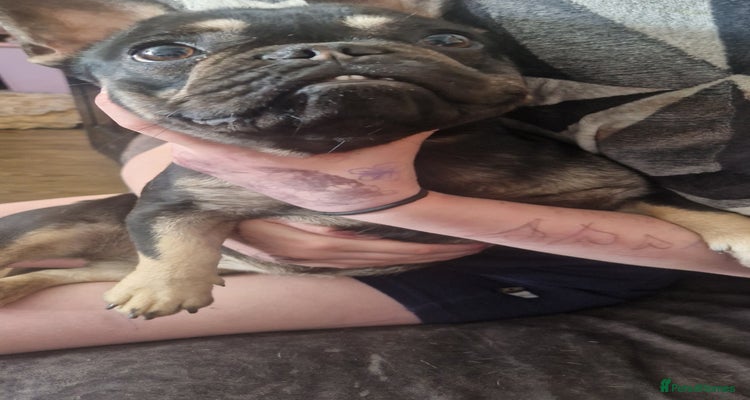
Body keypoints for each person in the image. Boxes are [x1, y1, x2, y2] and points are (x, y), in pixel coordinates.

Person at [1, 91, 747, 355]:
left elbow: (666, 226)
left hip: (514, 254)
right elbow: (131, 121)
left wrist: (384, 203)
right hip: (212, 202)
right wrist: (177, 183)